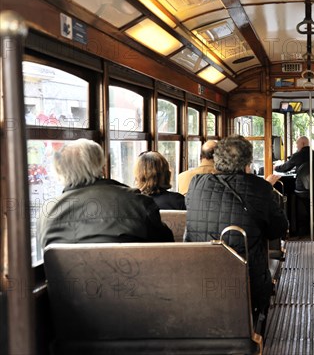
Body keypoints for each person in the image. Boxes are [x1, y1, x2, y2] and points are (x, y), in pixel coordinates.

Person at [185, 135, 288, 333]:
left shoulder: (196, 183)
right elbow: (278, 229)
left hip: (199, 278)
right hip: (247, 280)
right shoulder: (260, 188)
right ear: (248, 162)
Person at [39, 139, 174, 248]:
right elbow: (166, 243)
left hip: (66, 282)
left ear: (60, 171)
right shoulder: (137, 202)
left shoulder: (47, 212)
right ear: (101, 165)